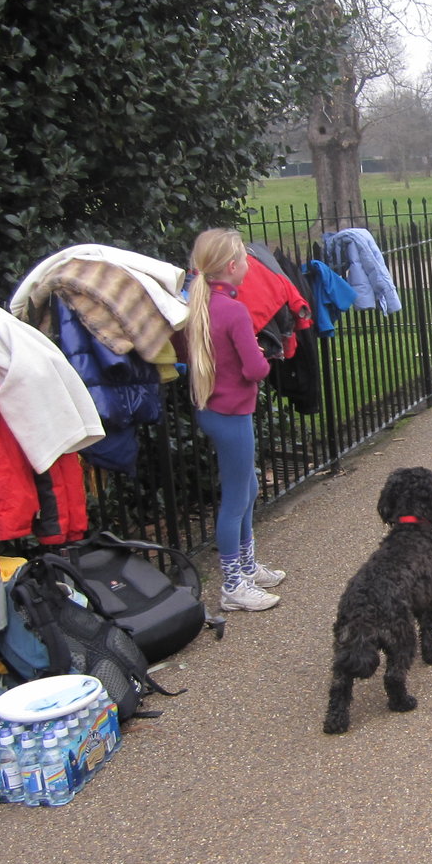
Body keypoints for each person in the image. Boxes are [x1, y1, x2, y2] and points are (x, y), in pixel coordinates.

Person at [184, 228, 284, 611]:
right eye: (243, 258)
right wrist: (262, 356)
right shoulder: (233, 310)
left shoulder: (200, 304)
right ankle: (232, 585)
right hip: (232, 413)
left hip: (213, 409)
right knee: (236, 499)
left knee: (249, 489)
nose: (247, 264)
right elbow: (254, 369)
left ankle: (246, 566)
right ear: (231, 266)